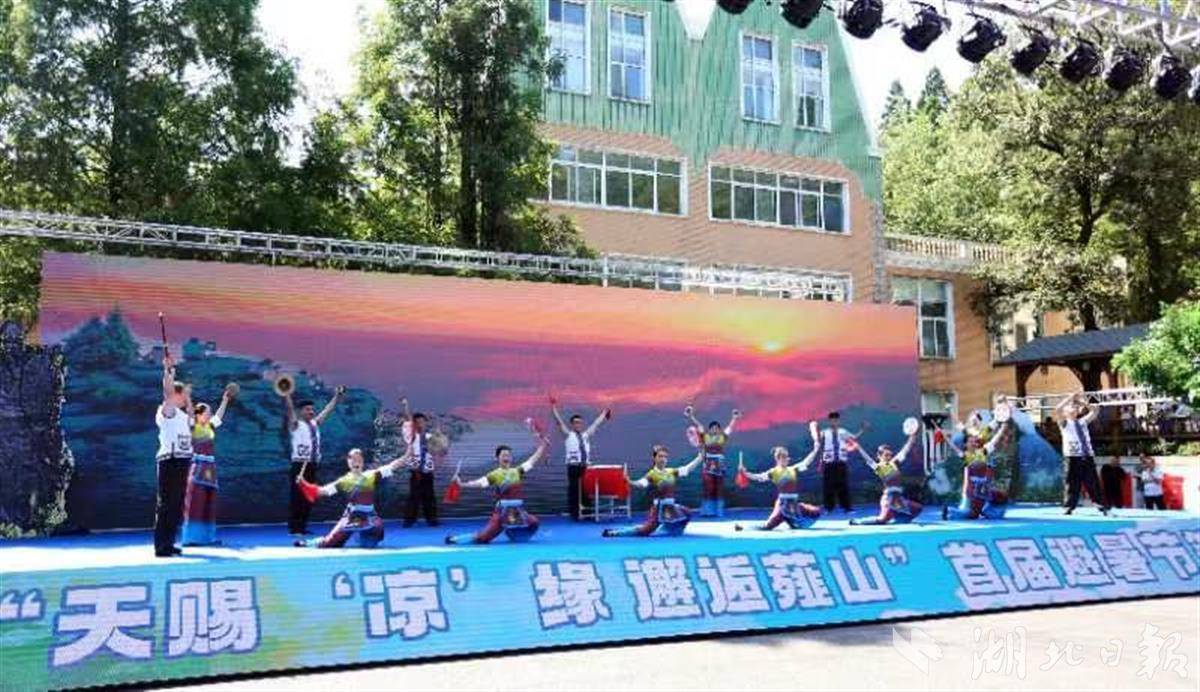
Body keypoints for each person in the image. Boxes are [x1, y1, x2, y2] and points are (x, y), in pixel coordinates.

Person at [445, 428, 550, 544]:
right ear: (497, 458)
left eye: (508, 455)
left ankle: (514, 534)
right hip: (502, 513)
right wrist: (462, 484)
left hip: (517, 512)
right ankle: (454, 539)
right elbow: (480, 483)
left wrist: (543, 446)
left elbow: (533, 460)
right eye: (503, 455)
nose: (506, 457)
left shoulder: (517, 471)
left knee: (534, 522)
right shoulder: (495, 474)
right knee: (483, 538)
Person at [294, 448, 412, 548]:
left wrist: (407, 455)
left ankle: (361, 536)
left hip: (369, 517)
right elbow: (321, 492)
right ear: (348, 462)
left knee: (372, 539)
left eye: (359, 459)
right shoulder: (344, 481)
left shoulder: (371, 475)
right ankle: (310, 543)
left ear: (362, 462)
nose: (356, 462)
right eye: (353, 459)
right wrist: (303, 484)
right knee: (330, 543)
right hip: (351, 518)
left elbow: (392, 466)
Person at [283, 384, 345, 536]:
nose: (311, 411)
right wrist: (287, 394)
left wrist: (337, 397)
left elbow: (328, 410)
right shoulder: (295, 425)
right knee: (297, 497)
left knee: (308, 496)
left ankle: (302, 526)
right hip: (299, 465)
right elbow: (290, 410)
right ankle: (295, 528)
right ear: (300, 412)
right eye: (307, 409)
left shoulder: (315, 424)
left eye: (312, 409)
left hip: (312, 465)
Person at [602, 445, 703, 538]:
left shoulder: (671, 471)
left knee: (687, 513)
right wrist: (631, 482)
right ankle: (615, 533)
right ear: (655, 458)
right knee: (645, 531)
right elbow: (642, 484)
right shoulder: (652, 474)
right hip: (659, 509)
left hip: (671, 507)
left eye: (665, 457)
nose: (663, 459)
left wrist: (700, 457)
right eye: (660, 456)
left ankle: (670, 530)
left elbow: (687, 469)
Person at [180, 384, 235, 546]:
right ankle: (190, 538)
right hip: (197, 467)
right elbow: (190, 412)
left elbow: (219, 416)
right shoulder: (192, 426)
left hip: (210, 469)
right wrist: (188, 397)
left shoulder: (210, 427)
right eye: (207, 413)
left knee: (209, 503)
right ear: (199, 415)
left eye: (210, 413)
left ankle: (208, 537)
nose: (210, 415)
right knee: (195, 503)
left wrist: (225, 400)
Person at [154, 355, 194, 557]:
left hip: (183, 460)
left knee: (176, 504)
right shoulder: (167, 411)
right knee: (166, 504)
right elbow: (167, 392)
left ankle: (169, 542)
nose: (185, 398)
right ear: (176, 395)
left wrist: (189, 398)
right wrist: (168, 372)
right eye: (183, 394)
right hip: (169, 460)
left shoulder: (184, 416)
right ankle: (161, 545)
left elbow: (193, 420)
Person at [734, 440, 821, 531]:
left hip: (794, 504)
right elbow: (758, 477)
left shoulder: (793, 469)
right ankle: (742, 527)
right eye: (784, 457)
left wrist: (815, 450)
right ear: (778, 459)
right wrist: (745, 473)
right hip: (782, 505)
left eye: (787, 456)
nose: (787, 459)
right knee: (767, 526)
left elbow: (806, 462)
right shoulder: (774, 472)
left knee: (816, 512)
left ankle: (792, 521)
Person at [550, 395, 612, 521]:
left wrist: (604, 413)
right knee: (574, 490)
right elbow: (559, 422)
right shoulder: (568, 434)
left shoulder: (585, 435)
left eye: (580, 422)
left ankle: (588, 513)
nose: (578, 424)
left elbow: (596, 423)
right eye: (576, 422)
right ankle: (575, 514)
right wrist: (553, 407)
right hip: (573, 467)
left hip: (585, 467)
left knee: (586, 490)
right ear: (572, 424)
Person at [849, 425, 921, 526]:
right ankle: (857, 522)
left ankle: (898, 517)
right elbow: (868, 459)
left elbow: (905, 449)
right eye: (886, 455)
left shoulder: (894, 463)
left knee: (917, 509)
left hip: (899, 499)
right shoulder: (879, 467)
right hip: (889, 499)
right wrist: (858, 448)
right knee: (882, 520)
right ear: (879, 456)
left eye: (890, 455)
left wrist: (912, 437)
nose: (889, 457)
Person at [1056, 393, 1110, 515]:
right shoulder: (1064, 423)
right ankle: (1069, 506)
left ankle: (1100, 504)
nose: (1073, 408)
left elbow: (1095, 410)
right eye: (1071, 407)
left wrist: (1081, 402)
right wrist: (1070, 398)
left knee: (1092, 481)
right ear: (1065, 412)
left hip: (1086, 455)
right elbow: (1058, 409)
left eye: (1075, 407)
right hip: (1072, 456)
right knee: (1071, 482)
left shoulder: (1082, 422)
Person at [941, 424, 1009, 521]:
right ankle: (950, 511)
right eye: (970, 441)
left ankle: (986, 510)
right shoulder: (966, 456)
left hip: (984, 492)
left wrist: (1002, 429)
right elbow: (953, 447)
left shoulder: (983, 452)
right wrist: (944, 436)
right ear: (965, 444)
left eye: (974, 441)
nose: (973, 443)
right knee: (968, 514)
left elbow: (994, 441)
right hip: (970, 494)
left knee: (994, 510)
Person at [685, 404, 741, 517]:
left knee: (719, 489)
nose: (715, 429)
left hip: (720, 466)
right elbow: (699, 426)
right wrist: (691, 416)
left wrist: (734, 418)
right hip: (708, 466)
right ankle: (707, 511)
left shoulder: (722, 437)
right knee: (708, 488)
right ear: (710, 429)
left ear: (719, 429)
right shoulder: (705, 437)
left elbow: (729, 428)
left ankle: (718, 511)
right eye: (712, 428)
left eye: (717, 428)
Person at [400, 397, 440, 527]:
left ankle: (432, 520)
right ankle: (409, 521)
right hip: (416, 471)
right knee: (414, 496)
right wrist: (406, 405)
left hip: (428, 471)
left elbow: (438, 449)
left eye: (422, 422)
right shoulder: (410, 436)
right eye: (417, 422)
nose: (420, 424)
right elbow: (408, 419)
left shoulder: (429, 437)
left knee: (429, 496)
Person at [817, 411, 864, 513]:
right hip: (829, 462)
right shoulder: (824, 432)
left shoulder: (843, 431)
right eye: (832, 420)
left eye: (836, 420)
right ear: (829, 421)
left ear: (838, 421)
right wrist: (821, 462)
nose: (834, 422)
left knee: (843, 485)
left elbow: (854, 437)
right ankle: (829, 508)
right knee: (828, 486)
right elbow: (820, 446)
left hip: (841, 462)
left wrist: (862, 429)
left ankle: (847, 507)